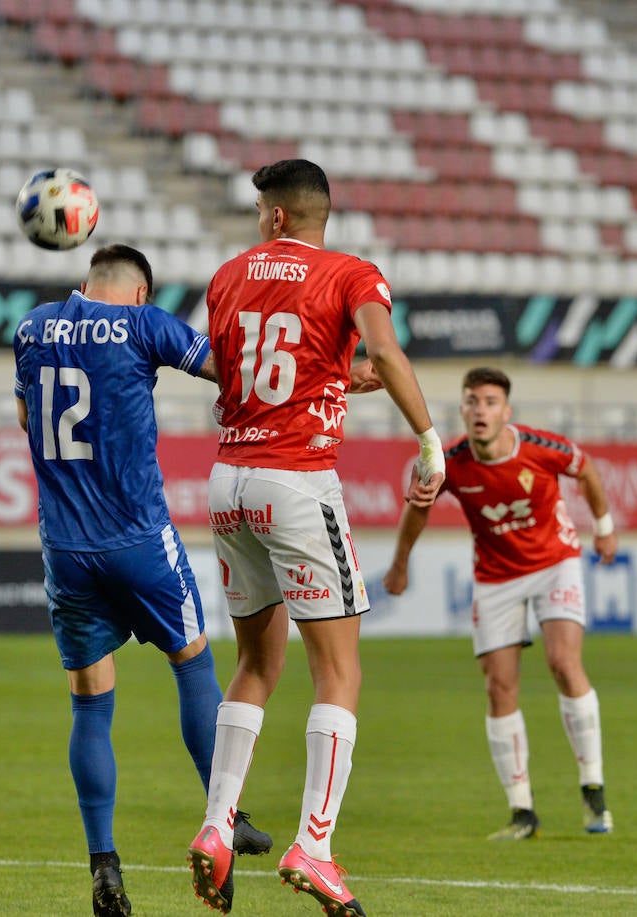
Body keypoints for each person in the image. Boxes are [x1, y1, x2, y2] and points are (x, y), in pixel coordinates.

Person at [186, 159, 444, 917]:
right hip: (297, 480)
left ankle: (214, 825)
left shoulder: (228, 275)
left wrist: (334, 376)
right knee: (339, 669)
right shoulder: (350, 272)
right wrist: (428, 439)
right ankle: (315, 846)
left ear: (273, 216)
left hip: (229, 480)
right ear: (316, 215)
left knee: (256, 664)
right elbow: (387, 350)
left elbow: (243, 375)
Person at [13, 244, 272, 917]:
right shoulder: (143, 324)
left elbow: (24, 417)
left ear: (84, 282)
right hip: (138, 538)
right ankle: (227, 815)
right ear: (139, 292)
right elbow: (233, 373)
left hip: (65, 546)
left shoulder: (34, 326)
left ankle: (103, 863)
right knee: (193, 662)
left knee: (91, 705)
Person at [383, 366, 619, 840]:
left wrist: (605, 526)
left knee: (562, 662)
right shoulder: (449, 461)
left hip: (556, 562)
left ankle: (593, 788)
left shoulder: (540, 448)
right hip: (496, 577)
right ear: (463, 410)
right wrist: (400, 563)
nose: (479, 410)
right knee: (498, 686)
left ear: (506, 411)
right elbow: (418, 508)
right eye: (471, 401)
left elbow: (586, 467)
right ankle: (522, 812)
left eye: (489, 401)